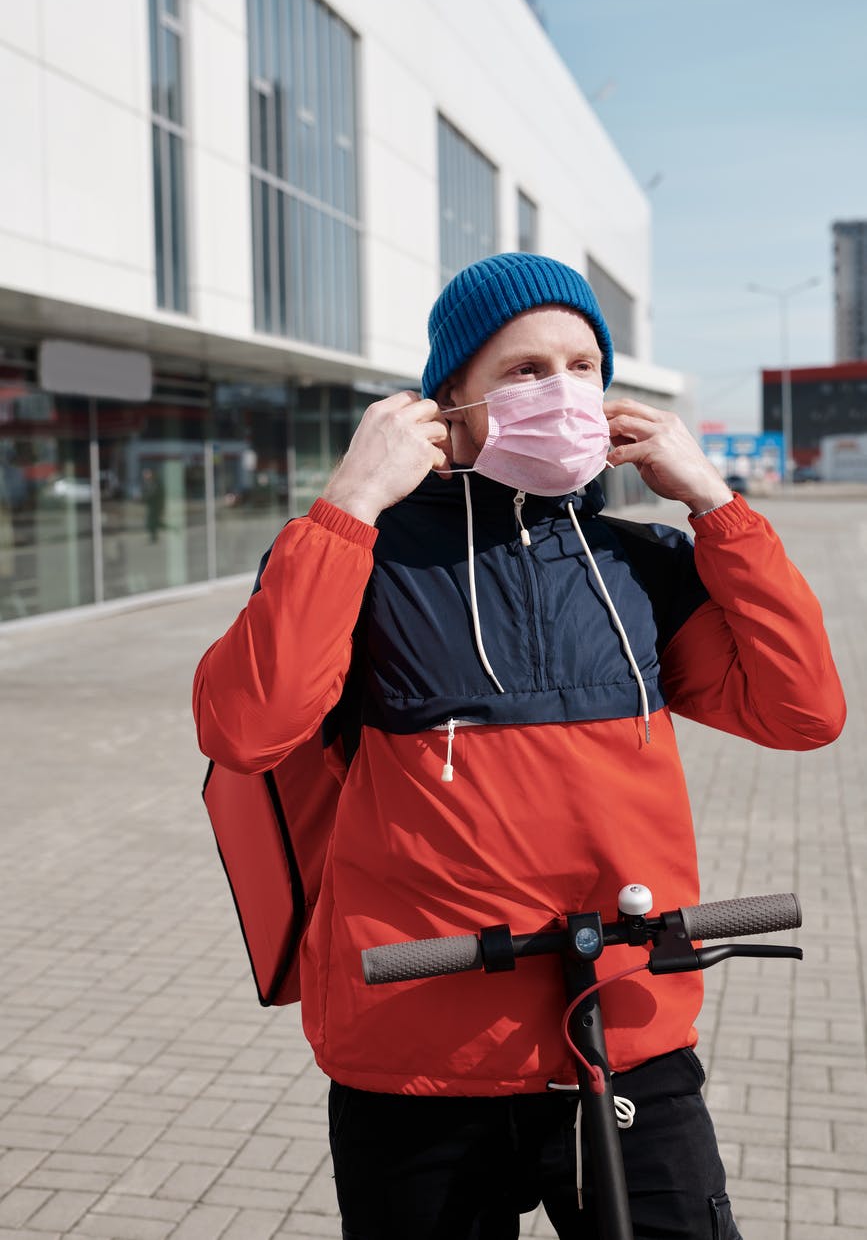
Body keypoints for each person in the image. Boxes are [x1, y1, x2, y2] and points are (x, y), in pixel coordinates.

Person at [193, 253, 845, 1239]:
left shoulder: (645, 563)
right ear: (447, 398)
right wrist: (350, 504)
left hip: (623, 1032)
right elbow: (245, 725)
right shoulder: (356, 558)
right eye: (527, 370)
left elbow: (805, 709)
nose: (566, 392)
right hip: (414, 1051)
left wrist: (717, 504)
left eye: (585, 366)